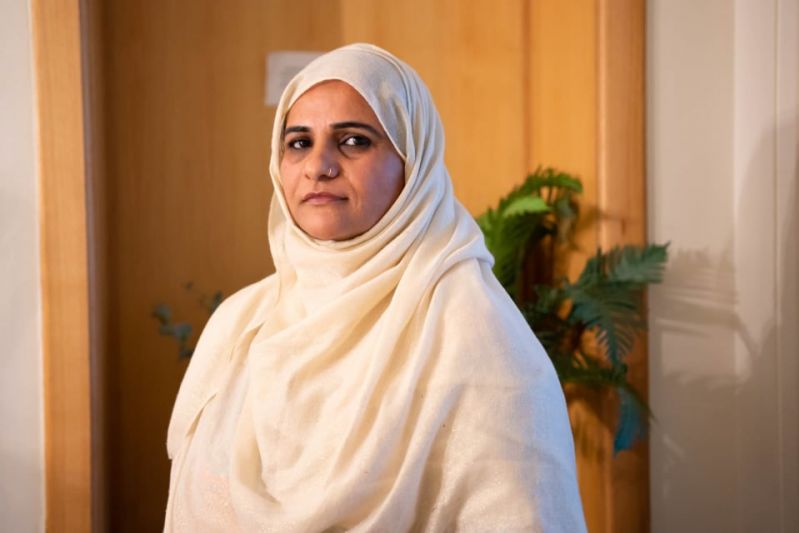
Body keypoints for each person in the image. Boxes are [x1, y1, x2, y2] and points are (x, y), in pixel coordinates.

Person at [164, 43, 586, 532]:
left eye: (353, 141)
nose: (318, 166)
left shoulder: (477, 337)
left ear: (414, 162)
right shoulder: (240, 324)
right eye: (298, 143)